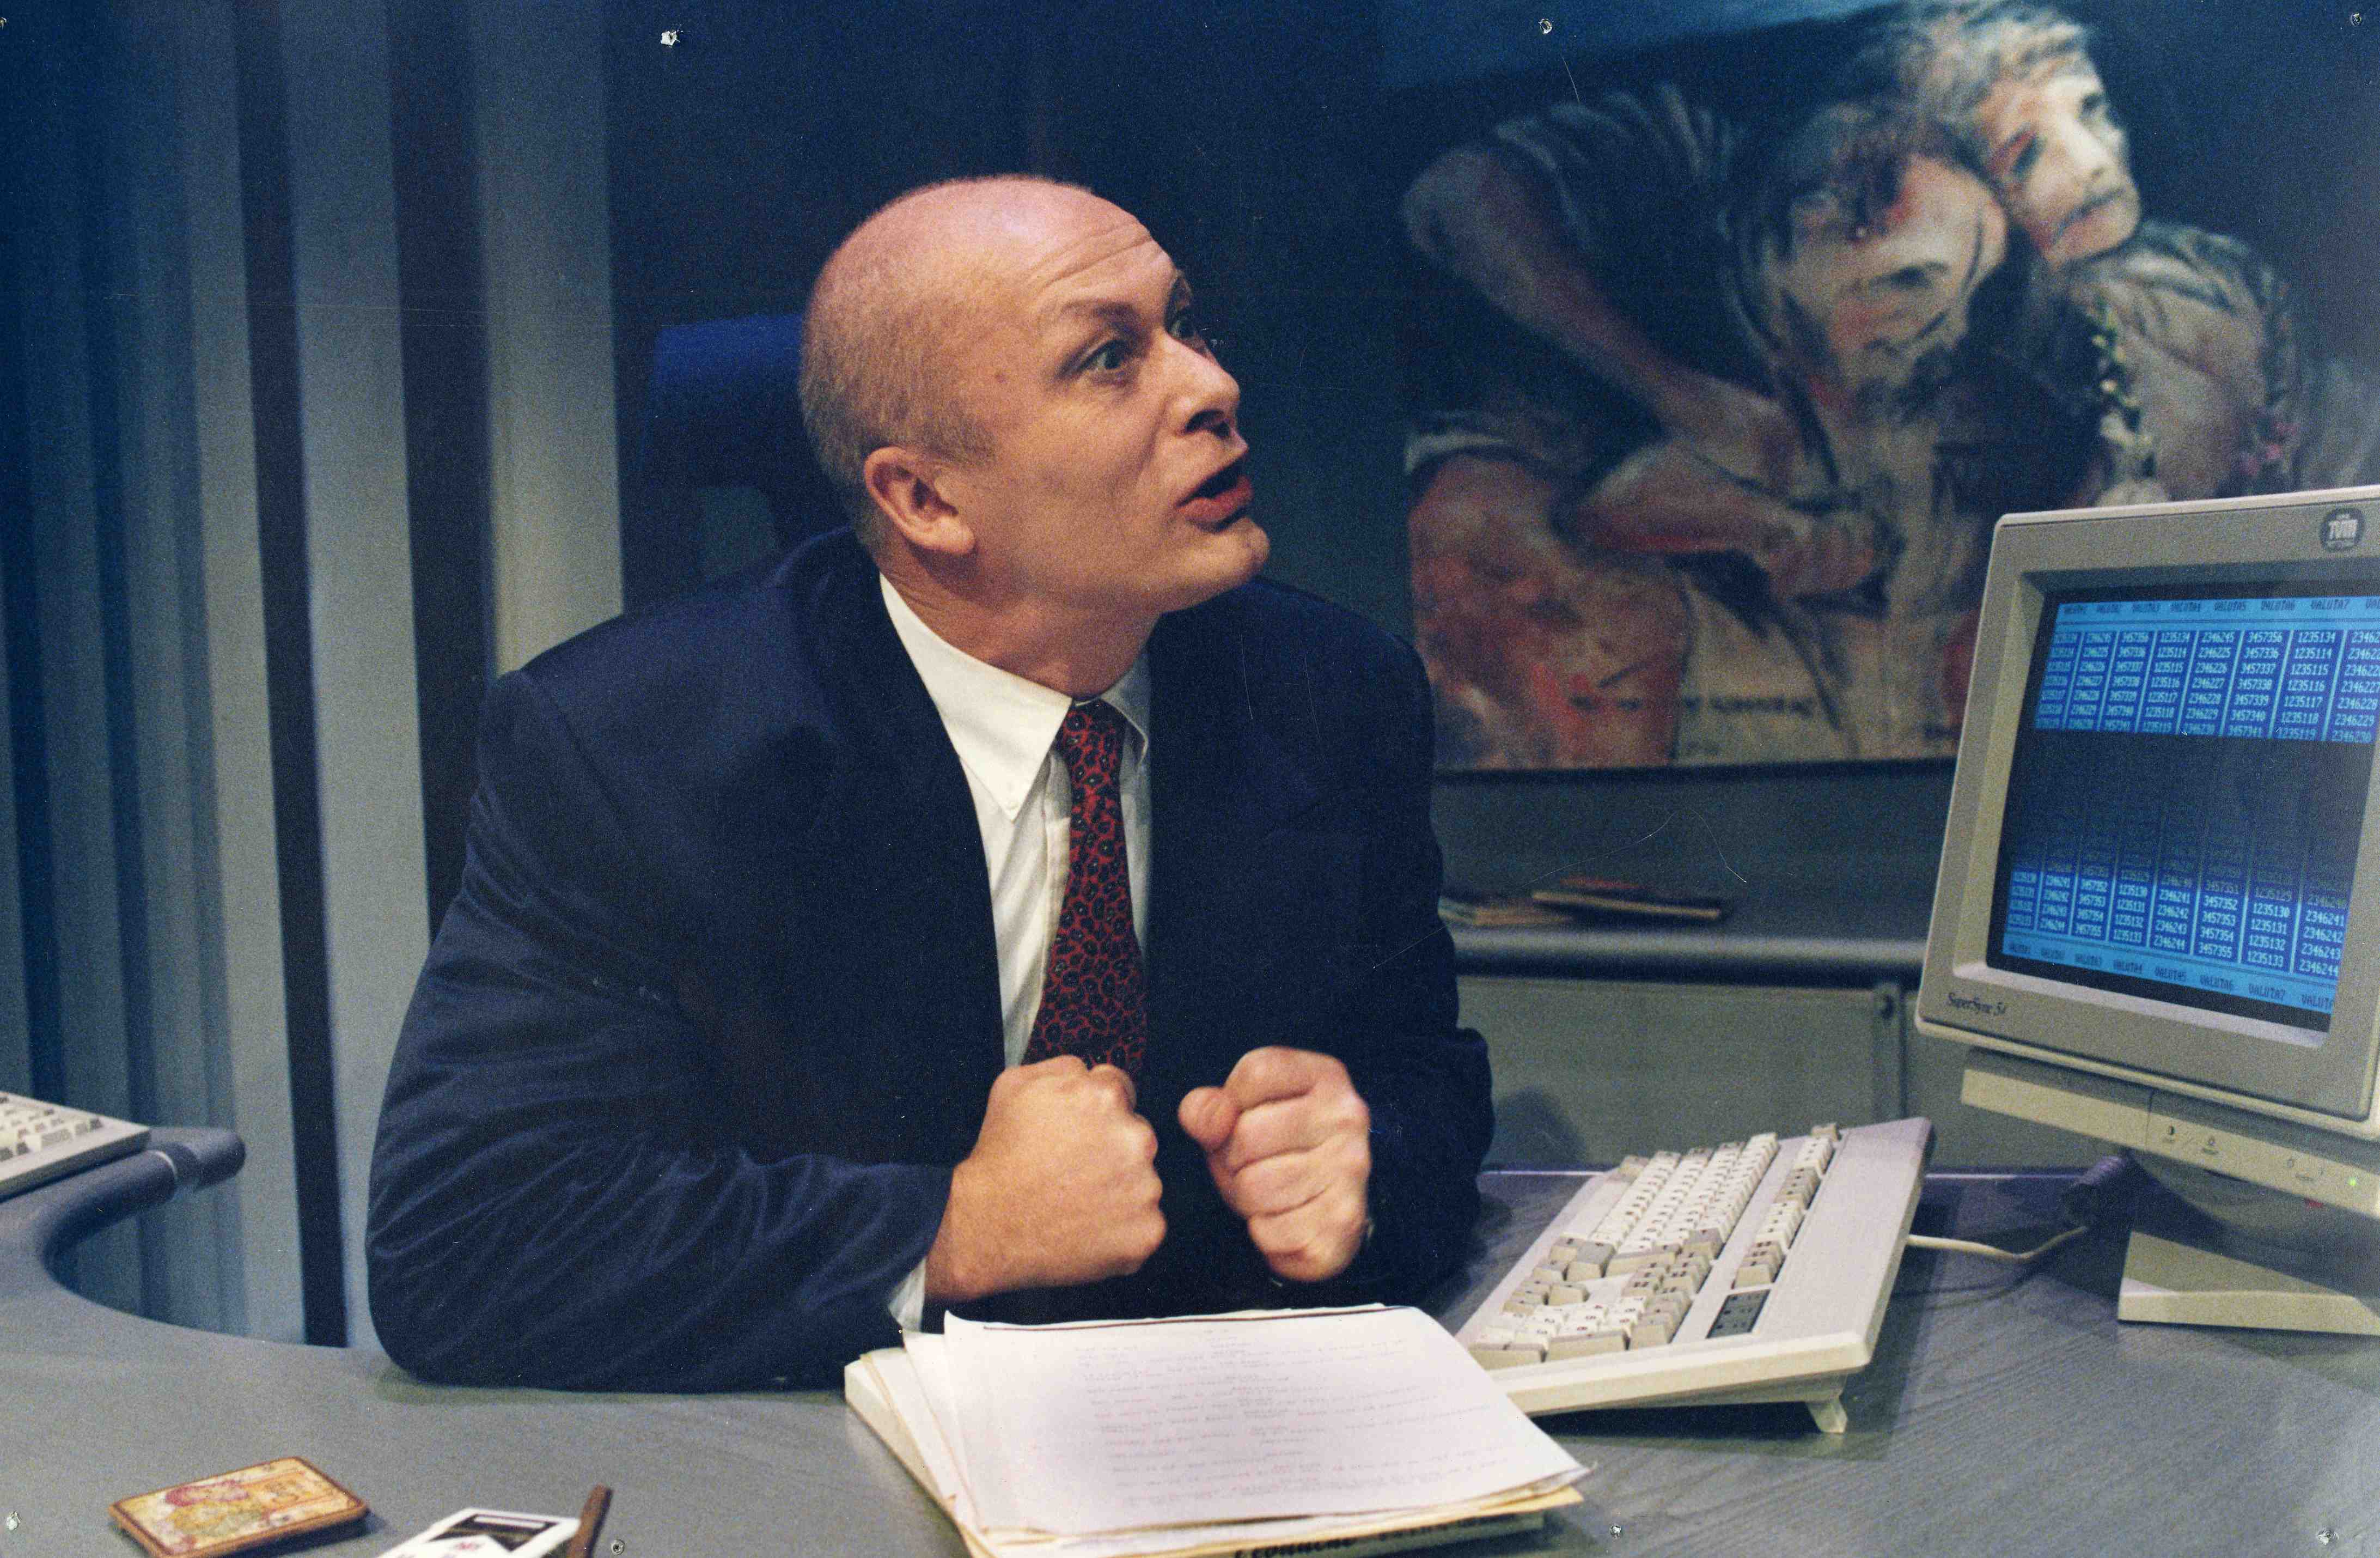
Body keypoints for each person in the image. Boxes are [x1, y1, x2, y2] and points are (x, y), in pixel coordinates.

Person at [365, 177, 1494, 1391]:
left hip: (1228, 1418)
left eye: (1185, 325)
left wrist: (1361, 1158)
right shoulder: (632, 743)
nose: (1211, 386)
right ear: (926, 498)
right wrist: (952, 1227)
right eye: (1110, 357)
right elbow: (463, 1241)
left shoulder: (1332, 691)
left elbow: (1421, 1072)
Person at [1402, 89, 2083, 766]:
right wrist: (1673, 393)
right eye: (1911, 281)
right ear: (1818, 218)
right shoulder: (1686, 157)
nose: (1945, 331)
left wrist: (1782, 531)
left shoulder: (1879, 395)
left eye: (1960, 297)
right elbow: (1450, 198)